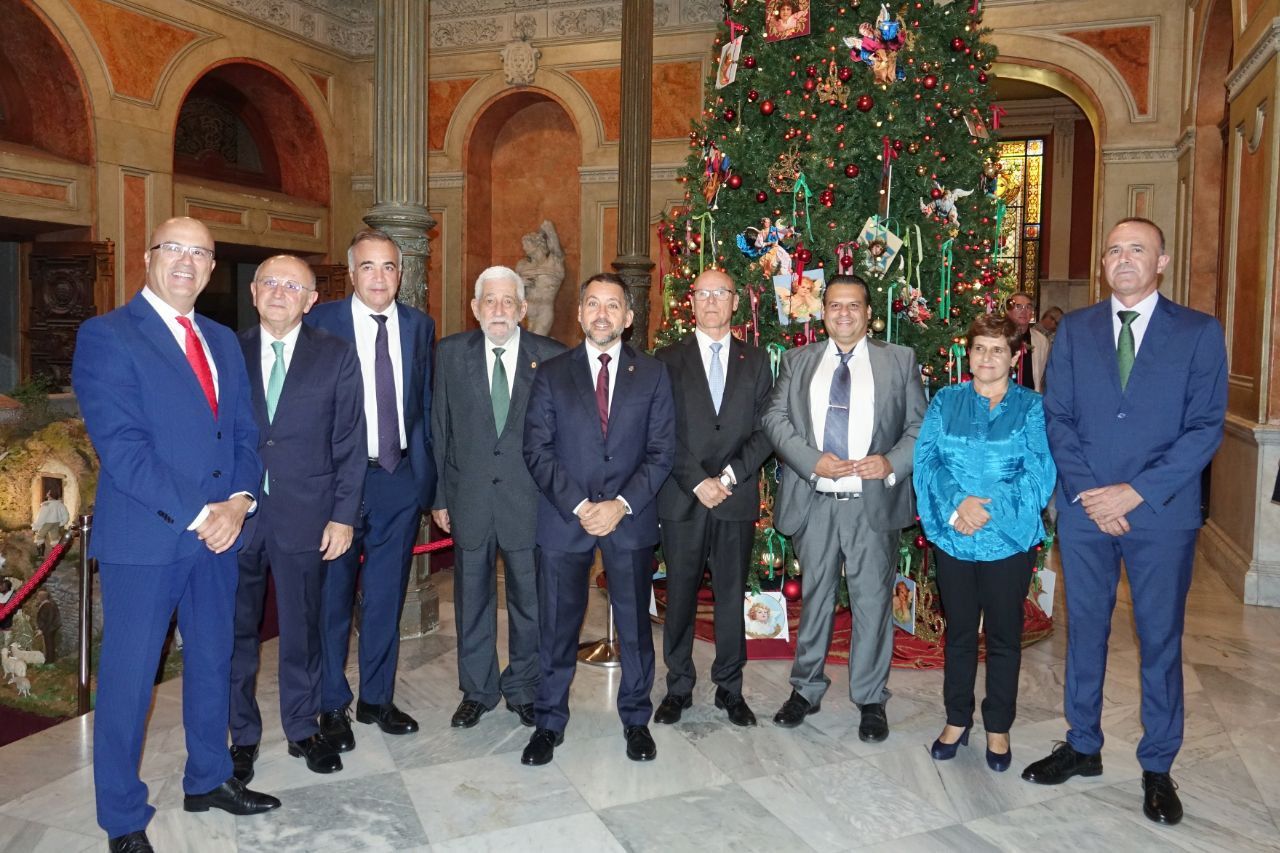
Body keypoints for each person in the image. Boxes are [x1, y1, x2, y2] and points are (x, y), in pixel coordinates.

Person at [72, 216, 279, 853]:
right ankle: (123, 818)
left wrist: (241, 503)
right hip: (149, 539)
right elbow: (124, 450)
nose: (187, 262)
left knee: (215, 663)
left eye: (201, 253)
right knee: (131, 680)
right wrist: (203, 513)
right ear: (148, 257)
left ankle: (209, 778)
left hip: (220, 536)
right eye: (174, 250)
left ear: (214, 268)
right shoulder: (107, 335)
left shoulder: (221, 340)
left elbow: (247, 432)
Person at [1022, 217, 1227, 827]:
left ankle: (1158, 764)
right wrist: (1091, 495)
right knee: (1083, 631)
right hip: (1087, 515)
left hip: (1162, 515)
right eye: (1114, 250)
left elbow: (1205, 427)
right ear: (1103, 263)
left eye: (1138, 249)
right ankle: (1083, 745)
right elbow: (1057, 417)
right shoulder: (1078, 331)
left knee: (1159, 640)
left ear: (1161, 261)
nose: (1125, 259)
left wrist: (1134, 494)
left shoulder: (1197, 332)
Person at [761, 273, 926, 740]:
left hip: (871, 503)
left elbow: (919, 426)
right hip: (814, 501)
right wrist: (813, 462)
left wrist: (889, 464)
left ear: (869, 312)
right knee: (814, 599)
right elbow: (773, 418)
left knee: (873, 602)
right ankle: (805, 689)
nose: (844, 313)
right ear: (823, 312)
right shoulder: (797, 362)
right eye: (834, 305)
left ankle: (871, 698)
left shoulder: (899, 361)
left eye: (854, 305)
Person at [520, 273, 675, 766]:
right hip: (566, 519)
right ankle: (548, 722)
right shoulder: (550, 372)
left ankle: (635, 719)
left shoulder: (651, 374)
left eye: (613, 305)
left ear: (628, 319)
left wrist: (619, 505)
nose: (602, 313)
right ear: (580, 313)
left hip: (629, 519)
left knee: (633, 626)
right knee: (557, 626)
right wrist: (583, 506)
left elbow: (661, 451)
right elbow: (537, 449)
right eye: (593, 304)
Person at [227, 255, 366, 783]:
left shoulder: (336, 355)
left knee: (302, 629)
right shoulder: (226, 352)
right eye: (269, 283)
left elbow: (351, 443)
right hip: (236, 519)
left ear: (311, 300)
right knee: (236, 632)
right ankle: (241, 736)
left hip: (308, 516)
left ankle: (303, 728)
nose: (280, 292)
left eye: (293, 286)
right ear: (254, 292)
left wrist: (343, 517)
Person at [306, 229, 438, 751]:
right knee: (334, 597)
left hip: (396, 478)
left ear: (400, 274)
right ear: (351, 271)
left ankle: (377, 699)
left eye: (388, 267)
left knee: (386, 596)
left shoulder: (419, 326)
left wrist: (424, 480)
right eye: (368, 267)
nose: (379, 277)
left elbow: (422, 405)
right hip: (337, 480)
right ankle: (331, 703)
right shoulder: (320, 324)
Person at [913, 313, 1056, 773]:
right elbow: (927, 461)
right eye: (980, 348)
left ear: (1015, 356)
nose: (987, 357)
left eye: (998, 349)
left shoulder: (1032, 408)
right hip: (953, 534)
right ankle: (957, 718)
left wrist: (986, 510)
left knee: (1003, 637)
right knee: (958, 633)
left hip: (1008, 538)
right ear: (967, 353)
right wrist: (959, 505)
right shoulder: (945, 401)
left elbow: (1040, 472)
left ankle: (998, 724)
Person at [431, 265, 566, 730]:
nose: (499, 310)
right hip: (468, 499)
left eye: (509, 301)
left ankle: (523, 687)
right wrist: (439, 498)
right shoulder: (449, 355)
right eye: (490, 300)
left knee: (530, 603)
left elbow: (560, 439)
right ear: (474, 308)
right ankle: (478, 690)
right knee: (472, 601)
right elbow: (439, 431)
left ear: (524, 309)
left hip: (530, 504)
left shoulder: (551, 357)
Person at [653, 269, 773, 728]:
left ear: (734, 301)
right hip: (683, 498)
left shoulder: (757, 361)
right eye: (702, 293)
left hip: (735, 497)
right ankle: (677, 687)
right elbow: (659, 431)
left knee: (730, 596)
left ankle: (730, 688)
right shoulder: (666, 359)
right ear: (692, 301)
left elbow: (766, 429)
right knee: (679, 596)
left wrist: (728, 476)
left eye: (719, 293)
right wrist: (696, 479)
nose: (710, 301)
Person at [1004, 292, 1037, 390]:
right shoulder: (998, 337)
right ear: (1008, 310)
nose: (1024, 311)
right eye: (1018, 306)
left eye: (1028, 307)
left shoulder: (1041, 341)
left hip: (1030, 398)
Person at [1030, 305, 1062, 391]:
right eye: (1056, 322)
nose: (1055, 326)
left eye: (1057, 324)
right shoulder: (1033, 332)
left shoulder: (1054, 335)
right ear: (1048, 318)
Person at [31, 491, 69, 557]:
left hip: (47, 523)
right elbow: (66, 516)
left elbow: (41, 517)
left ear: (49, 495)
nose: (46, 494)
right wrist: (61, 523)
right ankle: (57, 555)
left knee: (39, 537)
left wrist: (35, 526)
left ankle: (40, 555)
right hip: (56, 523)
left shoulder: (46, 505)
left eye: (48, 493)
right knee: (55, 539)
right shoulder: (60, 504)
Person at [34, 587, 61, 664]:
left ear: (42, 597)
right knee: (49, 644)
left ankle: (50, 662)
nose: (37, 598)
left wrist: (42, 630)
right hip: (49, 628)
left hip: (49, 628)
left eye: (38, 596)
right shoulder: (47, 604)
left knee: (49, 645)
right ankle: (49, 660)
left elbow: (48, 620)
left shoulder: (48, 606)